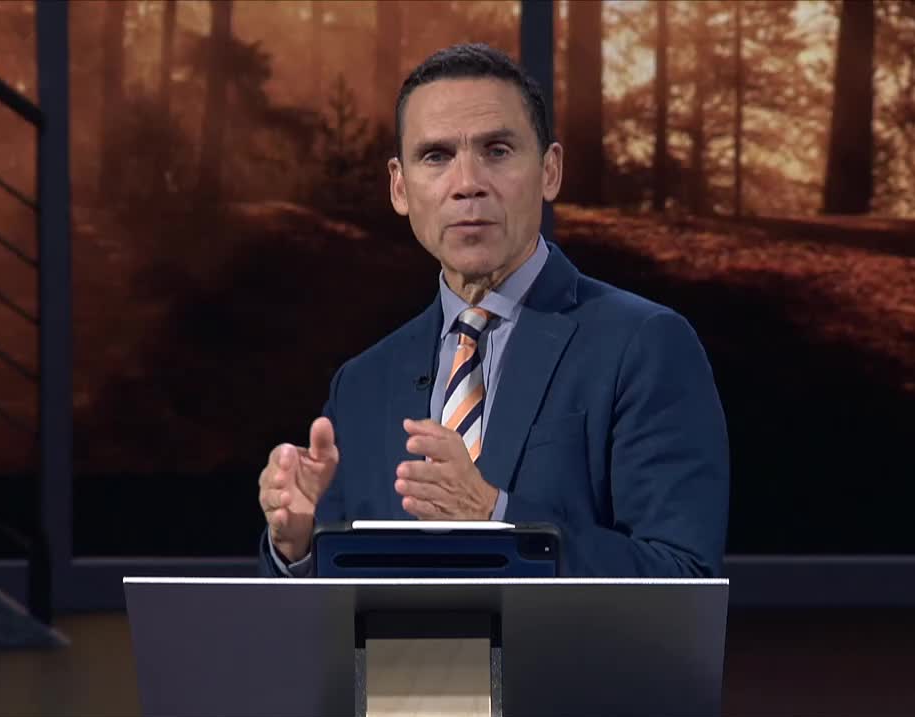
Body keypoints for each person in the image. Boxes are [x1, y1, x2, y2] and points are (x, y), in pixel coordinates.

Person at [257, 44, 728, 577]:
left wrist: (495, 517)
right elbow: (336, 610)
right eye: (436, 156)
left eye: (497, 151)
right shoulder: (362, 384)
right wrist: (297, 548)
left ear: (550, 171)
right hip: (402, 666)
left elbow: (683, 577)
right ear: (399, 186)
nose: (467, 184)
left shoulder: (645, 345)